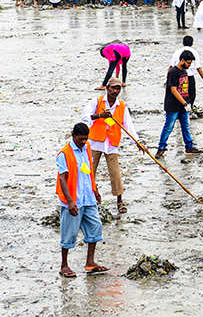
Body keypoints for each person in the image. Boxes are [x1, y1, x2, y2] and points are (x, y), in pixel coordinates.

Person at [56, 123, 108, 278]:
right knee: (68, 233)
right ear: (73, 136)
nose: (83, 142)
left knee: (95, 227)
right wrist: (70, 201)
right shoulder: (64, 154)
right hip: (73, 200)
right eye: (80, 139)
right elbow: (63, 179)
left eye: (86, 139)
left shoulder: (86, 148)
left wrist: (95, 190)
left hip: (88, 197)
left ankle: (90, 262)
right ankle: (64, 265)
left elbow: (88, 170)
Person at [80, 78, 136, 214]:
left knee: (115, 173)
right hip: (95, 142)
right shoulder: (97, 102)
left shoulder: (121, 106)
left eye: (118, 88)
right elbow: (85, 117)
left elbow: (129, 125)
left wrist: (137, 142)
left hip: (111, 144)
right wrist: (100, 115)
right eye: (113, 88)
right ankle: (85, 197)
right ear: (107, 88)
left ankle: (120, 201)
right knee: (88, 171)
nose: (115, 91)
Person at [156, 51, 203, 159]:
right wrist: (185, 103)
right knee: (168, 127)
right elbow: (173, 90)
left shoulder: (184, 71)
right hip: (173, 105)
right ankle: (161, 148)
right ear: (182, 60)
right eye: (188, 63)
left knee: (186, 126)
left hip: (183, 105)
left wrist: (188, 103)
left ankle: (189, 147)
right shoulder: (173, 72)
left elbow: (184, 89)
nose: (189, 65)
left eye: (190, 63)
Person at [169, 36, 203, 113]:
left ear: (183, 43)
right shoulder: (195, 52)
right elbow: (198, 68)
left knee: (179, 93)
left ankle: (179, 111)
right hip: (189, 77)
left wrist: (168, 79)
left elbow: (171, 66)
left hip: (178, 76)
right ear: (192, 43)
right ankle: (188, 111)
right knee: (191, 95)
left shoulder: (177, 52)